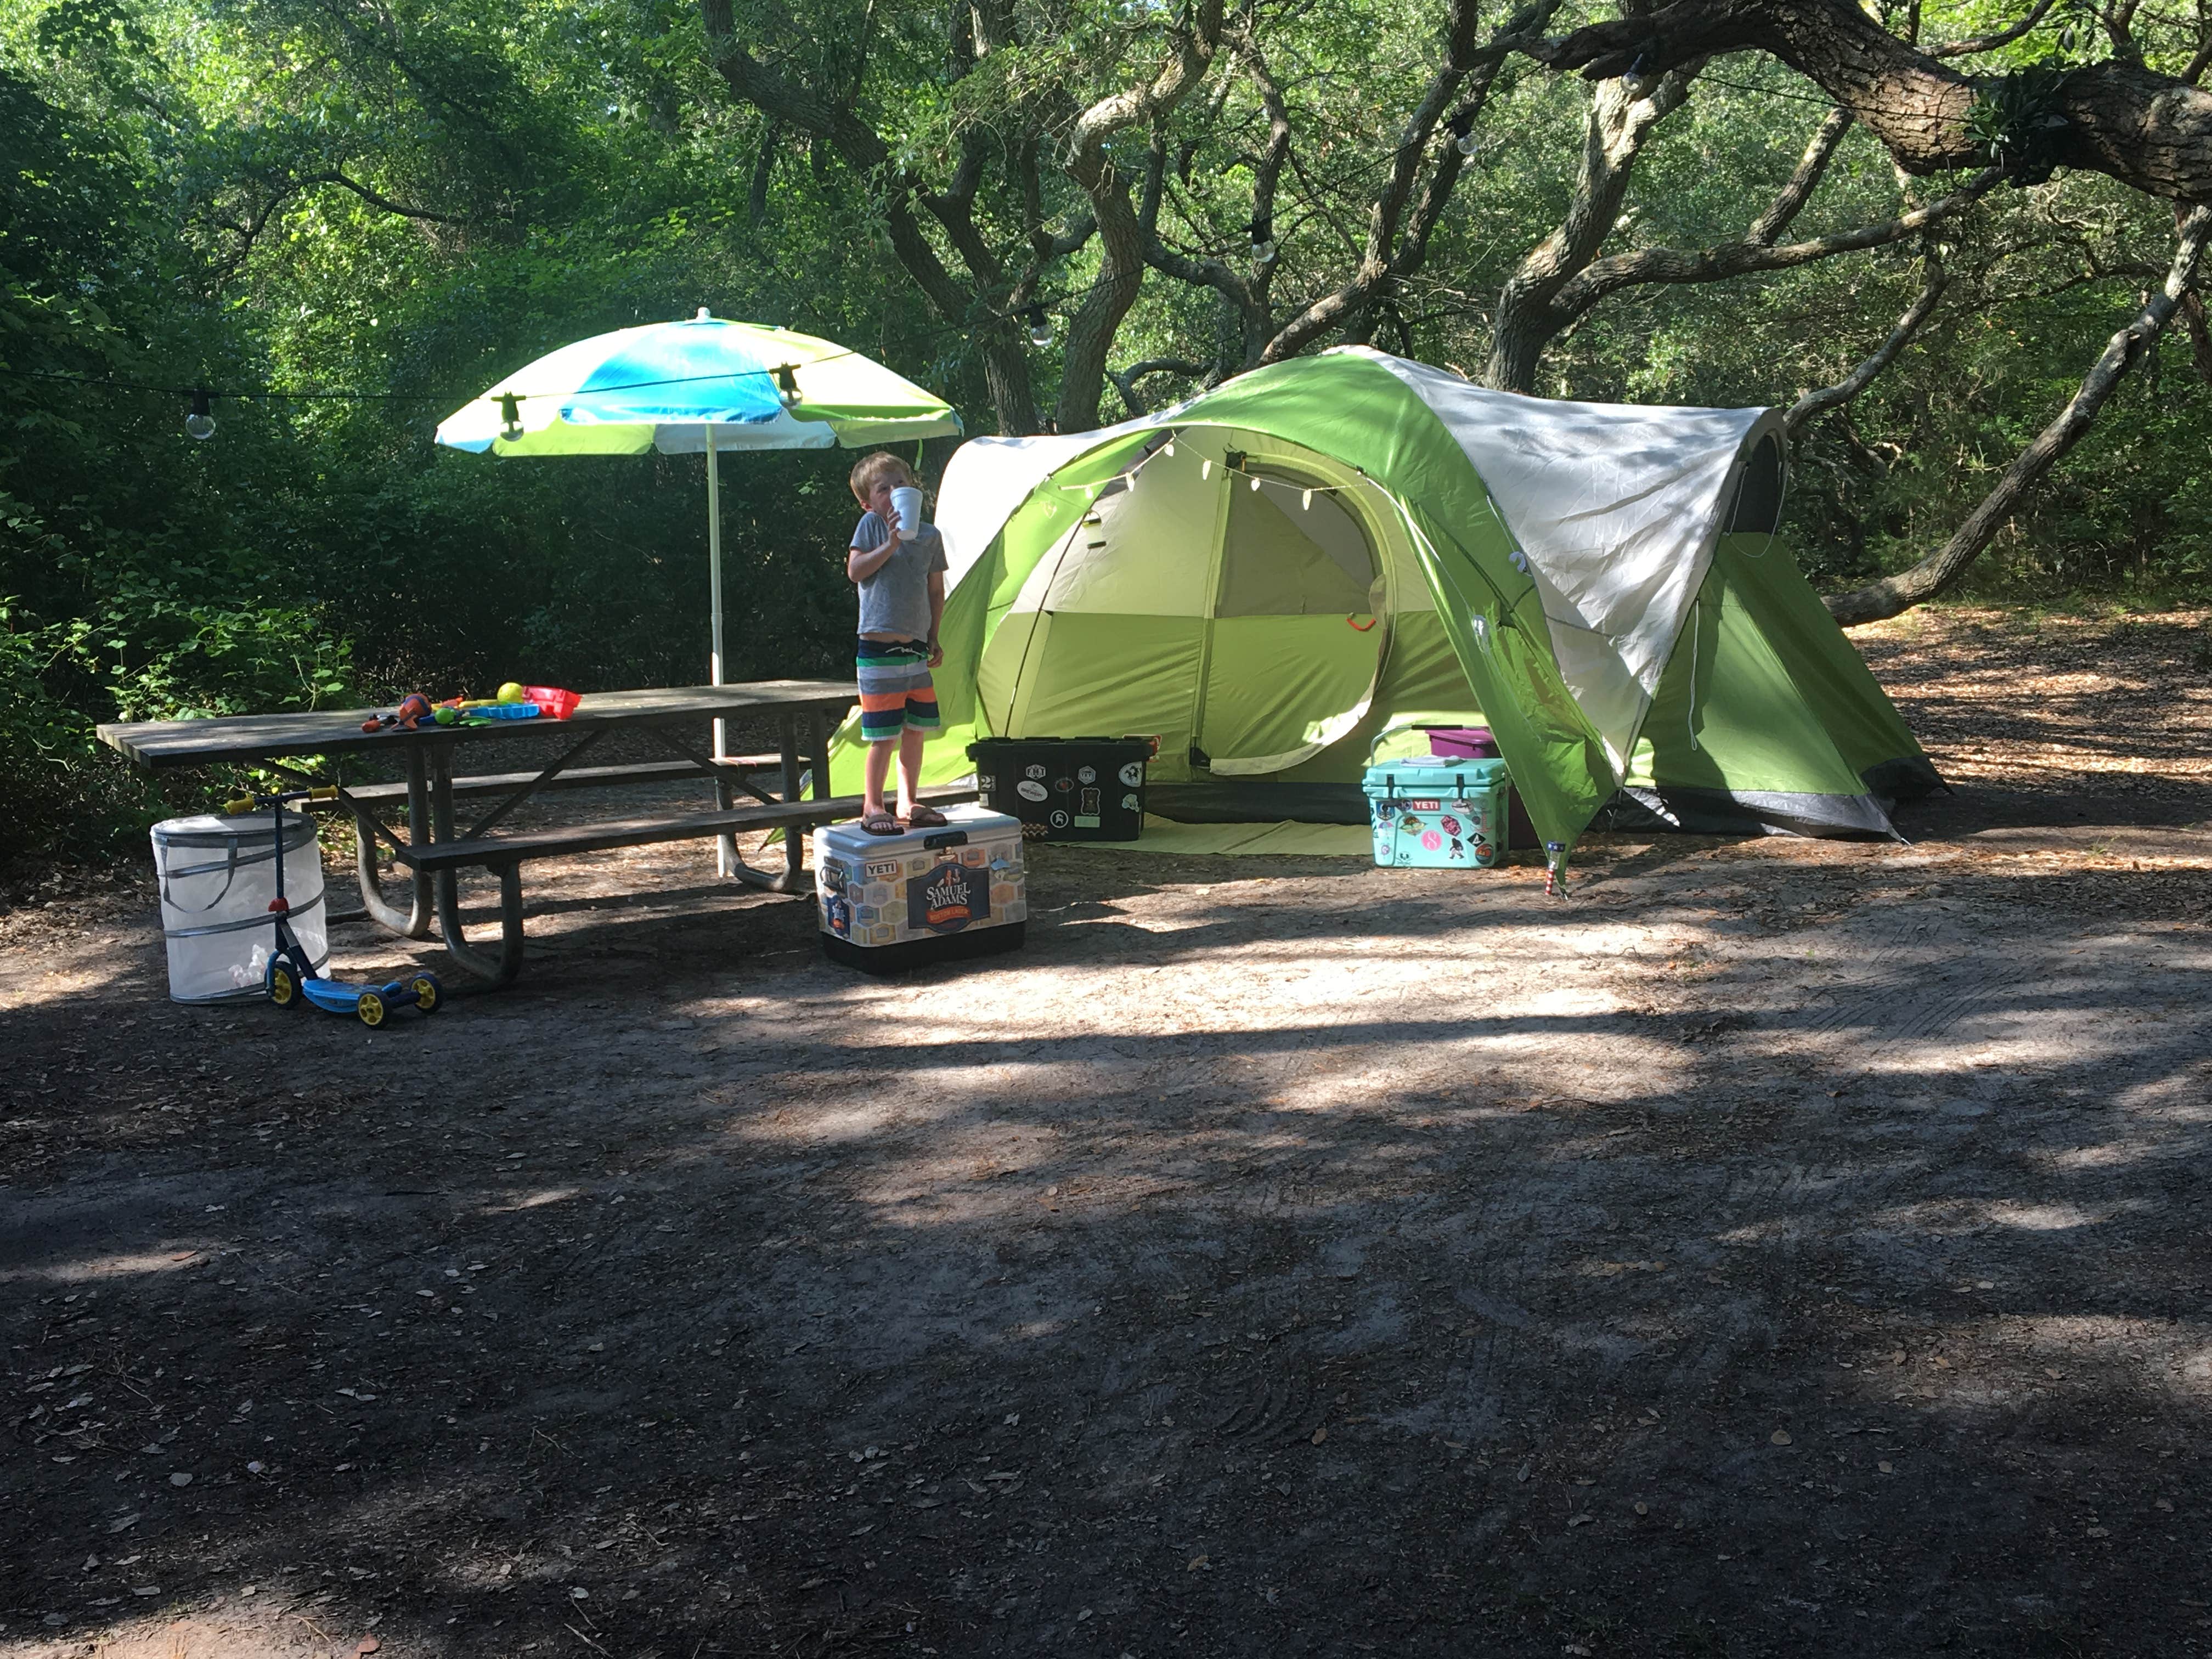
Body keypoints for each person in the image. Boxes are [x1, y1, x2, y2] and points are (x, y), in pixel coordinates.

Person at [847, 452, 949, 835]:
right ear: (868, 501)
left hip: (915, 650)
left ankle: (908, 801)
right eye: (883, 488)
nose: (894, 492)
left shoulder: (929, 535)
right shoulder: (871, 526)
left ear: (914, 489)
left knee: (915, 729)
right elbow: (855, 571)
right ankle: (873, 805)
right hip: (878, 651)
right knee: (882, 733)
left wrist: (934, 635)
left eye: (900, 484)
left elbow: (935, 590)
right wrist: (889, 544)